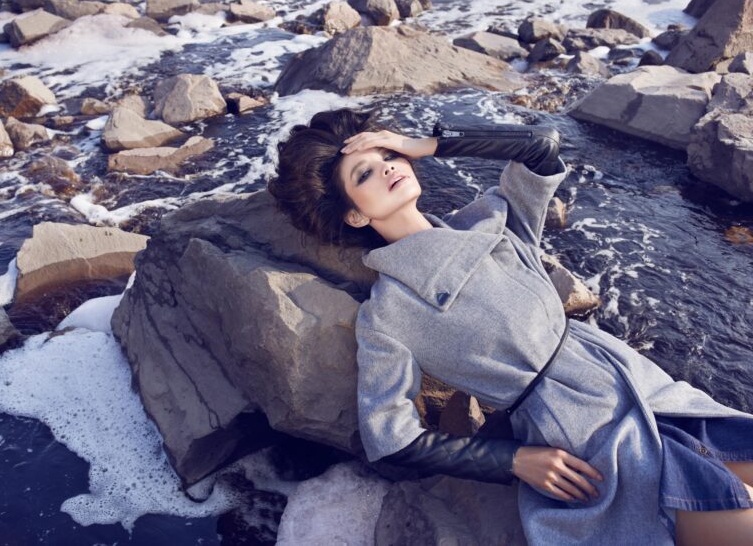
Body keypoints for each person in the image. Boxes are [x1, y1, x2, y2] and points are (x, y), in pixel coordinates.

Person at [267, 107, 753, 545]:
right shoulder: (389, 312)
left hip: (648, 387)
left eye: (389, 154)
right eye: (366, 172)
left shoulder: (491, 218)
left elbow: (542, 145)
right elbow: (389, 436)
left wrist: (432, 143)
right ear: (354, 214)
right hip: (591, 438)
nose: (389, 166)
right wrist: (514, 462)